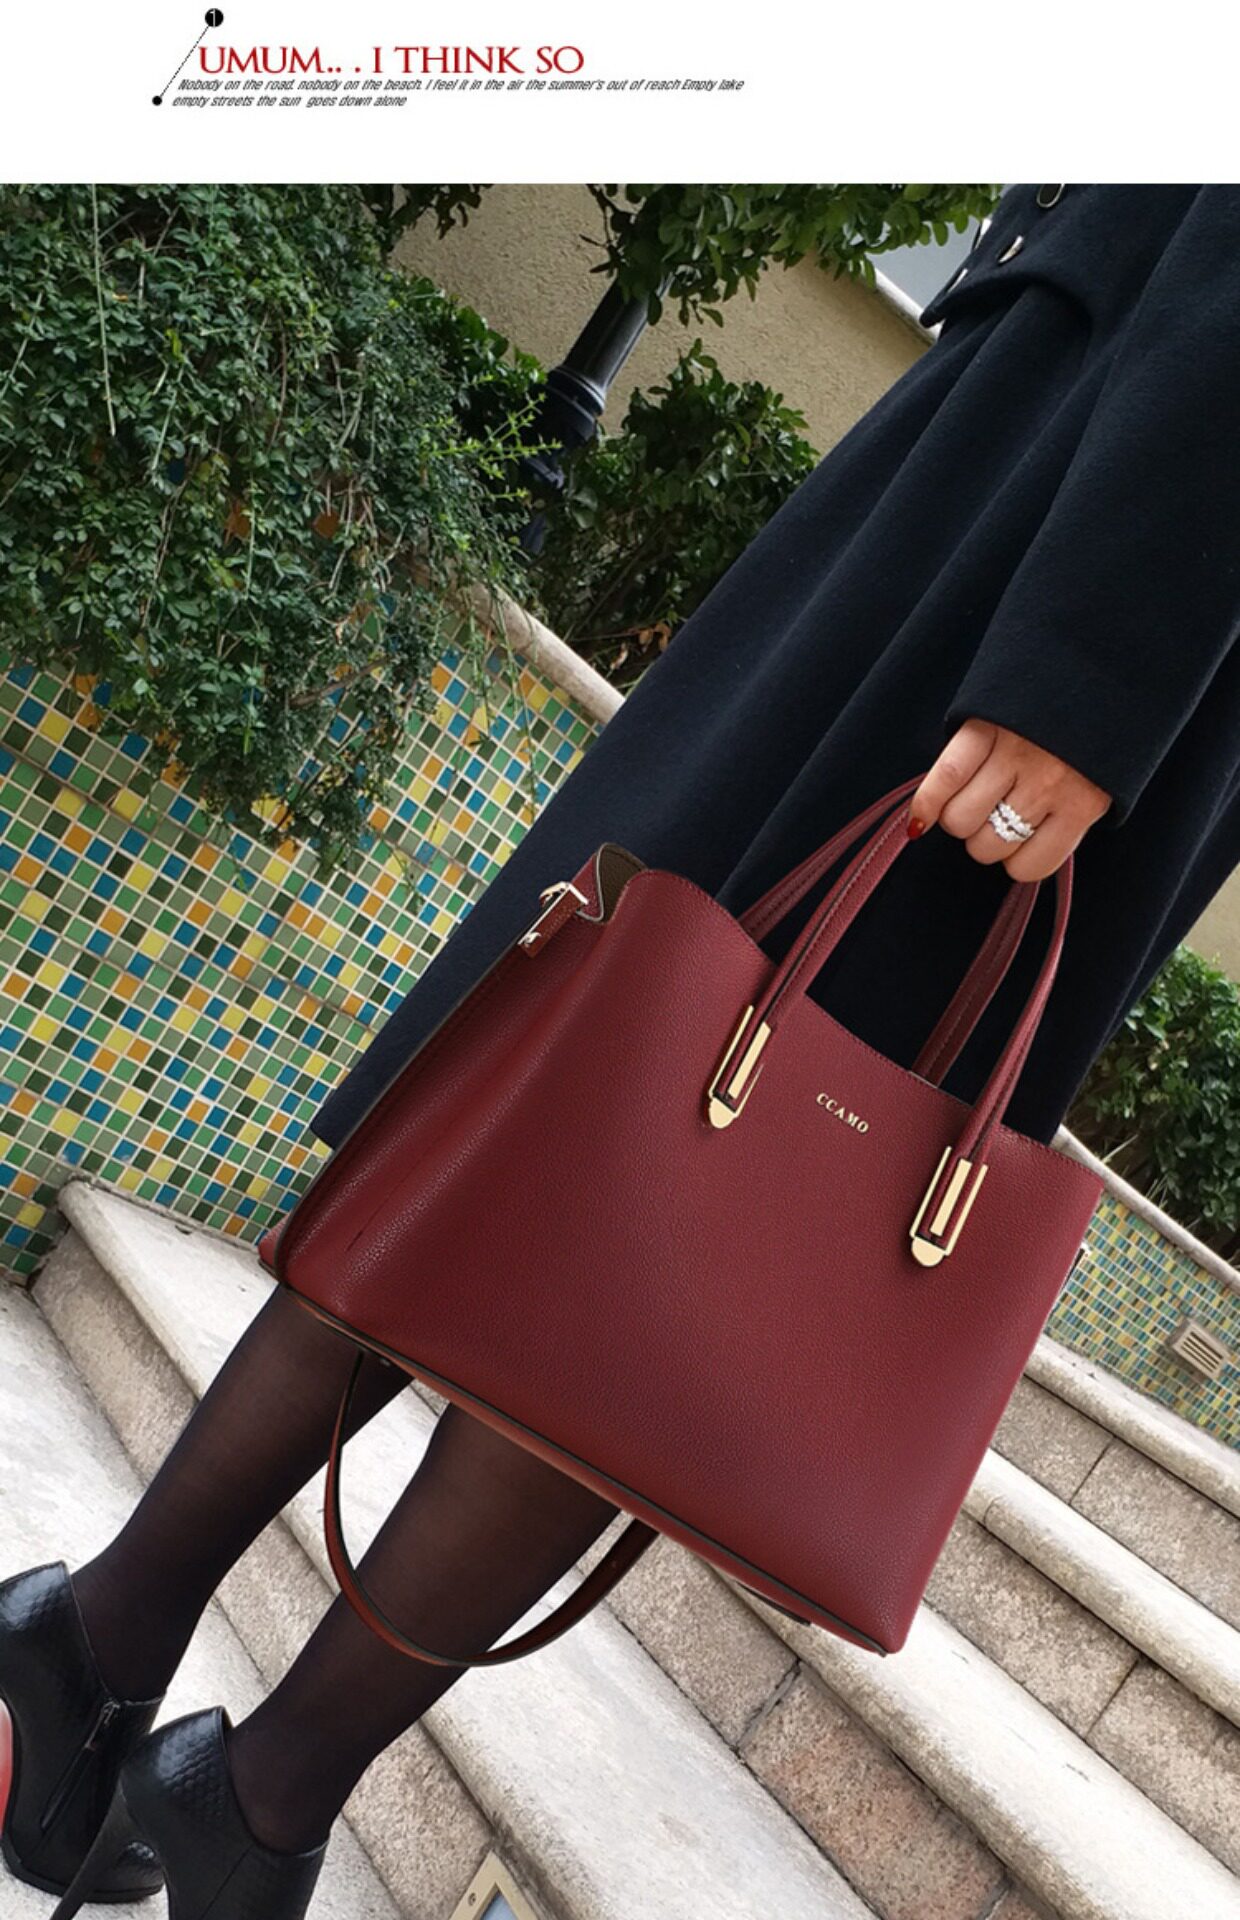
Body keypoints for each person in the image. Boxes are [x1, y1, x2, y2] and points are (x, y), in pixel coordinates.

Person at [3, 182, 1239, 1920]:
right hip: (1109, 533)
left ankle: (90, 1659)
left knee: (601, 1118)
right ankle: (254, 1800)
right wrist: (1096, 669)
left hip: (1065, 482)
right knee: (714, 1213)